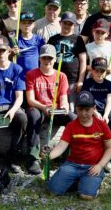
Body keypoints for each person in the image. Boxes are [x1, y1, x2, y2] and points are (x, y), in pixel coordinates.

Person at [44, 91, 111, 200]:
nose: (83, 113)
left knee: (86, 196)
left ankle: (90, 183)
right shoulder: (71, 126)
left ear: (94, 108)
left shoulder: (102, 125)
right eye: (80, 109)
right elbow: (61, 146)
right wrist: (49, 156)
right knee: (53, 191)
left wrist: (100, 165)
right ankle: (80, 180)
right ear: (76, 108)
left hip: (93, 166)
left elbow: (110, 148)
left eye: (87, 110)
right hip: (72, 165)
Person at [25, 44, 75, 175]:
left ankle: (70, 156)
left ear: (55, 60)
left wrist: (64, 107)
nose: (47, 61)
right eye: (44, 58)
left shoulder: (61, 76)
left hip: (55, 110)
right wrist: (43, 107)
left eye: (50, 58)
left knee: (73, 119)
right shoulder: (31, 74)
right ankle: (33, 158)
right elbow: (30, 100)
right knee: (33, 116)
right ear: (40, 59)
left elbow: (64, 97)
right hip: (39, 108)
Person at [0, 35, 28, 173]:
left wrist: (13, 110)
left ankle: (13, 158)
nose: (1, 53)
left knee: (22, 118)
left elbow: (20, 97)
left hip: (11, 105)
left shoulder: (17, 69)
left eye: (3, 50)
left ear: (9, 51)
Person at [82, 57, 111, 172]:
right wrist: (94, 113)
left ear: (106, 72)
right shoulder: (88, 83)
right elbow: (86, 101)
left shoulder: (108, 84)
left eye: (102, 71)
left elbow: (109, 102)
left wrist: (106, 115)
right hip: (91, 112)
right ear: (92, 70)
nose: (99, 73)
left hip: (105, 112)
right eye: (97, 70)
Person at [48, 11, 87, 113]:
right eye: (65, 23)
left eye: (70, 24)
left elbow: (83, 60)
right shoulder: (53, 39)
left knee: (71, 108)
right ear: (60, 23)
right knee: (56, 106)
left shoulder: (78, 39)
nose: (67, 26)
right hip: (55, 80)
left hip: (72, 80)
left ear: (74, 25)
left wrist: (81, 80)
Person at [85, 18, 111, 84]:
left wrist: (109, 70)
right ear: (93, 32)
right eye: (97, 32)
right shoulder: (88, 47)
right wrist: (93, 70)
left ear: (107, 34)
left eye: (103, 33)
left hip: (107, 80)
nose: (99, 35)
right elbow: (84, 65)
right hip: (91, 80)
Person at [11, 11, 45, 76]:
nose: (27, 25)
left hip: (35, 75)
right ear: (19, 25)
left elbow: (43, 57)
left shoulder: (39, 40)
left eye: (29, 23)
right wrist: (12, 53)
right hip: (19, 75)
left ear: (34, 25)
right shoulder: (15, 40)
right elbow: (8, 58)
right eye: (23, 23)